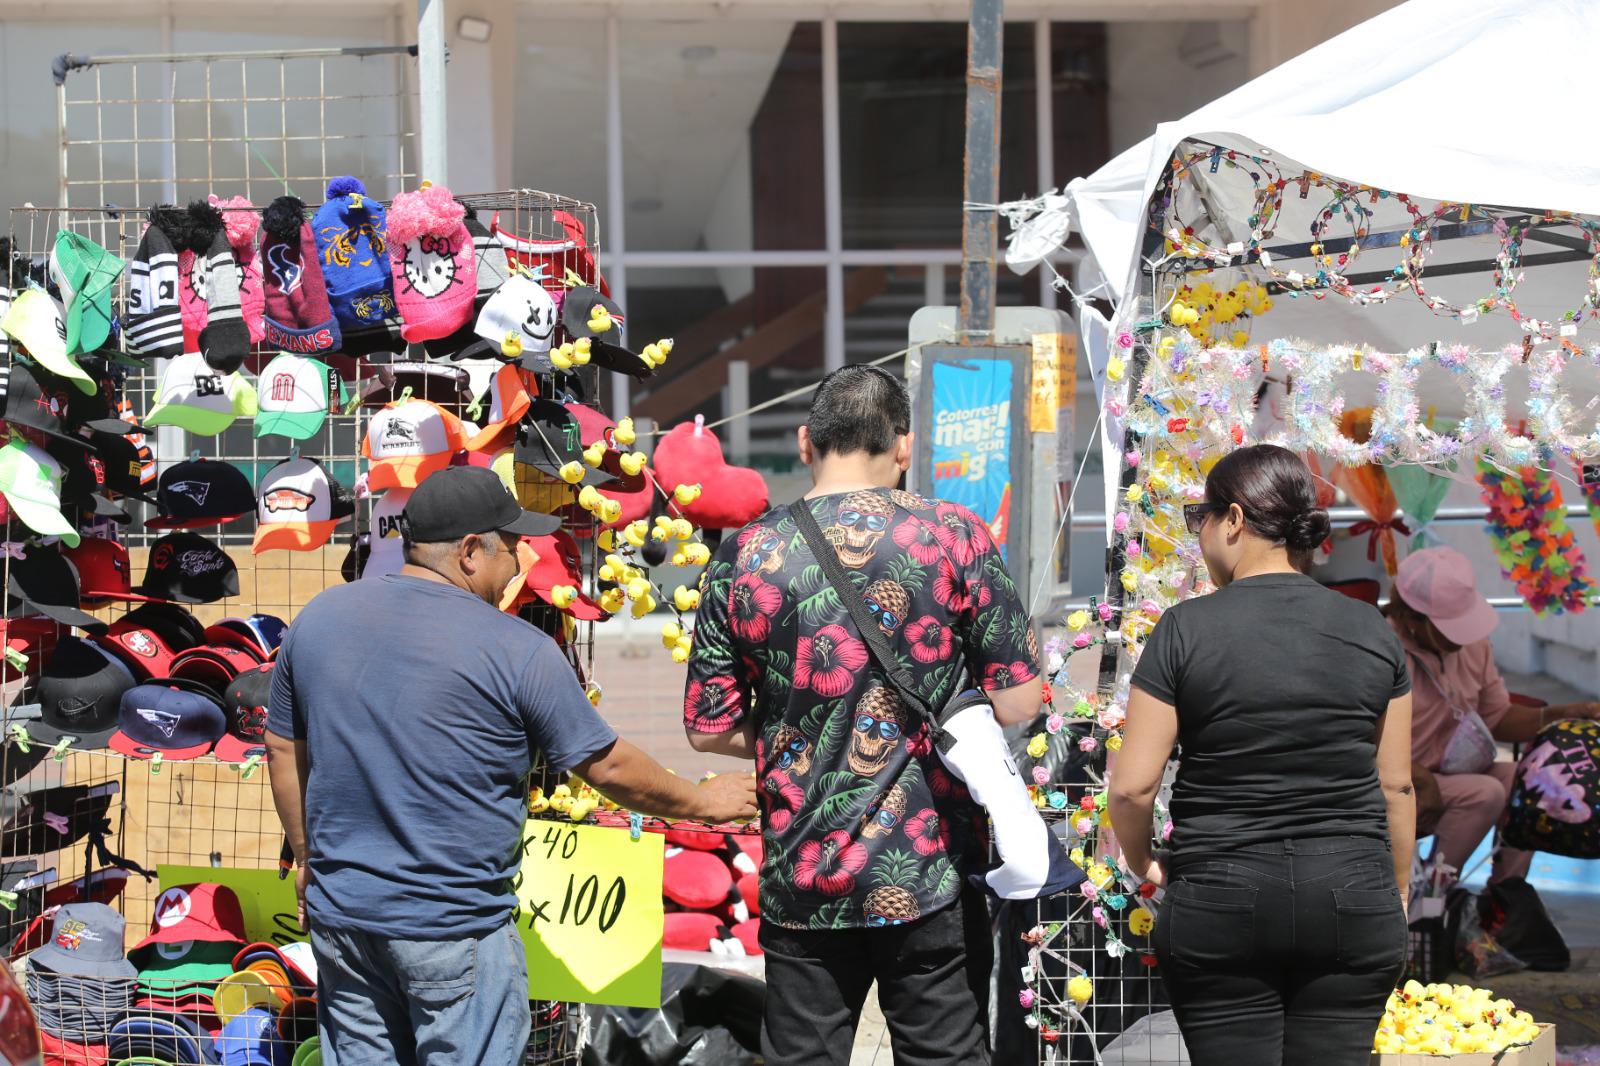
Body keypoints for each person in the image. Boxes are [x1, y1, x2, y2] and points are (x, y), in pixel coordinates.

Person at [265, 466, 757, 1066]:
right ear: (471, 551)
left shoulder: (319, 620)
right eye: (513, 544)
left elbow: (283, 746)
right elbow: (607, 768)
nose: (523, 558)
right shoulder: (517, 649)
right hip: (450, 928)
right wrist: (704, 801)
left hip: (343, 919)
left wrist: (307, 856)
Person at [682, 365, 1042, 1066]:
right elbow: (1020, 699)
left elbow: (709, 726)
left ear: (806, 440)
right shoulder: (953, 534)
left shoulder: (746, 554)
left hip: (802, 870)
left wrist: (798, 729)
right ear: (903, 446)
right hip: (929, 867)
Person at [1109, 444, 1415, 1066]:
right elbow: (1396, 789)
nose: (1199, 533)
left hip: (1221, 896)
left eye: (1200, 516)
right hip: (1352, 893)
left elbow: (1132, 789)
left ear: (1234, 519)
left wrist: (1145, 861)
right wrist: (1397, 892)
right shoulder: (1371, 630)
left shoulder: (1184, 629)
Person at [1386, 546, 1600, 884]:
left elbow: (1498, 718)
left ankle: (1504, 900)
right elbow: (1355, 733)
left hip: (1455, 773)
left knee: (1534, 784)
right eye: (1450, 626)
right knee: (1485, 792)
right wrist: (1418, 775)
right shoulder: (1379, 649)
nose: (1464, 636)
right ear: (1412, 619)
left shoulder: (1474, 645)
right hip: (1395, 780)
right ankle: (1429, 900)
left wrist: (1565, 713)